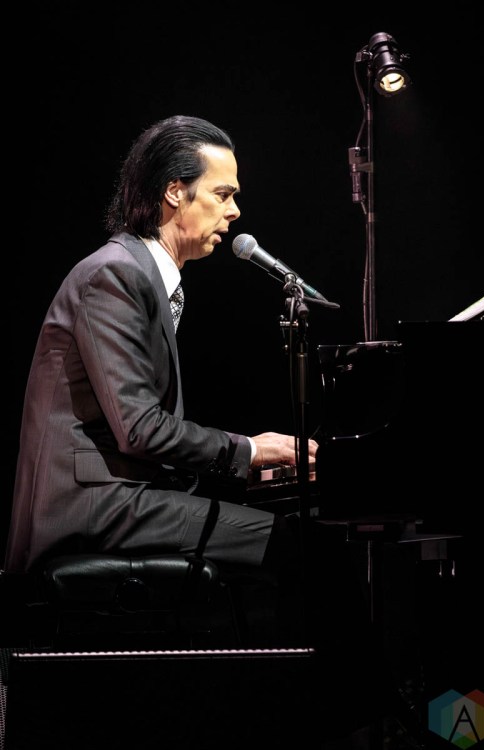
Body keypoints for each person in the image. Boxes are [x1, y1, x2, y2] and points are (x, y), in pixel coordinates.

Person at [3, 115, 317, 608]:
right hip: (90, 506)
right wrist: (249, 451)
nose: (235, 211)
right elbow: (140, 430)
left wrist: (247, 467)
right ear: (174, 191)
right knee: (291, 544)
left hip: (120, 496)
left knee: (284, 533)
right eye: (222, 194)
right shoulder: (115, 275)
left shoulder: (143, 276)